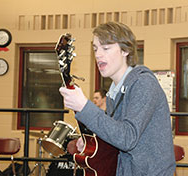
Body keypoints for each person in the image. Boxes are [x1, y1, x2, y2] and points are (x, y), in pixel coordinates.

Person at [59, 21, 176, 176]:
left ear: (125, 50)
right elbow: (116, 138)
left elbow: (128, 138)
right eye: (95, 49)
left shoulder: (144, 84)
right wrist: (94, 145)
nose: (98, 54)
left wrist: (84, 107)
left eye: (106, 48)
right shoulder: (115, 92)